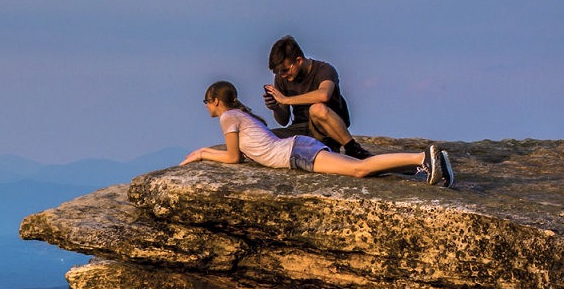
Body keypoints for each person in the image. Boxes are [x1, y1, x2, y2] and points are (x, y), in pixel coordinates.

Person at [184, 81, 455, 185]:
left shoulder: (229, 117)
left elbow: (233, 158)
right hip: (298, 148)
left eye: (206, 101)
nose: (206, 106)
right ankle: (426, 164)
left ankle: (424, 157)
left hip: (297, 153)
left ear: (216, 101)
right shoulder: (240, 114)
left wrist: (202, 154)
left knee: (360, 170)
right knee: (363, 168)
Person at [263, 36, 371, 159]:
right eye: (279, 72)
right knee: (262, 136)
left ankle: (352, 148)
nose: (282, 75)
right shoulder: (282, 79)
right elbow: (283, 121)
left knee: (317, 109)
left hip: (324, 128)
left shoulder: (324, 70)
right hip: (299, 129)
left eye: (285, 70)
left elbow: (324, 95)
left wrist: (286, 100)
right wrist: (275, 107)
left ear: (299, 60)